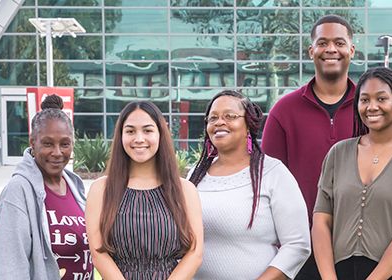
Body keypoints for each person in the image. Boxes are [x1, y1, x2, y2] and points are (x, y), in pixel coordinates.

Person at [312, 67, 392, 280]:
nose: (372, 107)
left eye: (381, 99)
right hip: (338, 273)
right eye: (364, 100)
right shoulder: (338, 153)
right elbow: (321, 222)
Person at [261, 15, 358, 279]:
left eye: (339, 42)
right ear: (311, 51)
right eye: (322, 42)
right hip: (301, 248)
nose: (331, 49)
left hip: (363, 248)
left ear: (351, 50)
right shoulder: (284, 110)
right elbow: (267, 181)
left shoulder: (371, 108)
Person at [188, 90, 311, 279]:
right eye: (213, 118)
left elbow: (297, 245)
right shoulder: (195, 176)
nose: (219, 122)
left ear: (248, 126)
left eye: (230, 116)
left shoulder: (272, 173)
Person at [86, 101, 204, 279]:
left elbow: (195, 253)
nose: (139, 139)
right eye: (130, 131)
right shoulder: (101, 189)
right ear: (120, 136)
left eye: (147, 130)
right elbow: (98, 253)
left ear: (160, 134)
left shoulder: (185, 190)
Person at [0, 95, 91, 280]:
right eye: (48, 144)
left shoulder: (75, 186)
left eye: (64, 144)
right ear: (33, 142)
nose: (57, 152)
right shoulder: (19, 191)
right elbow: (11, 267)